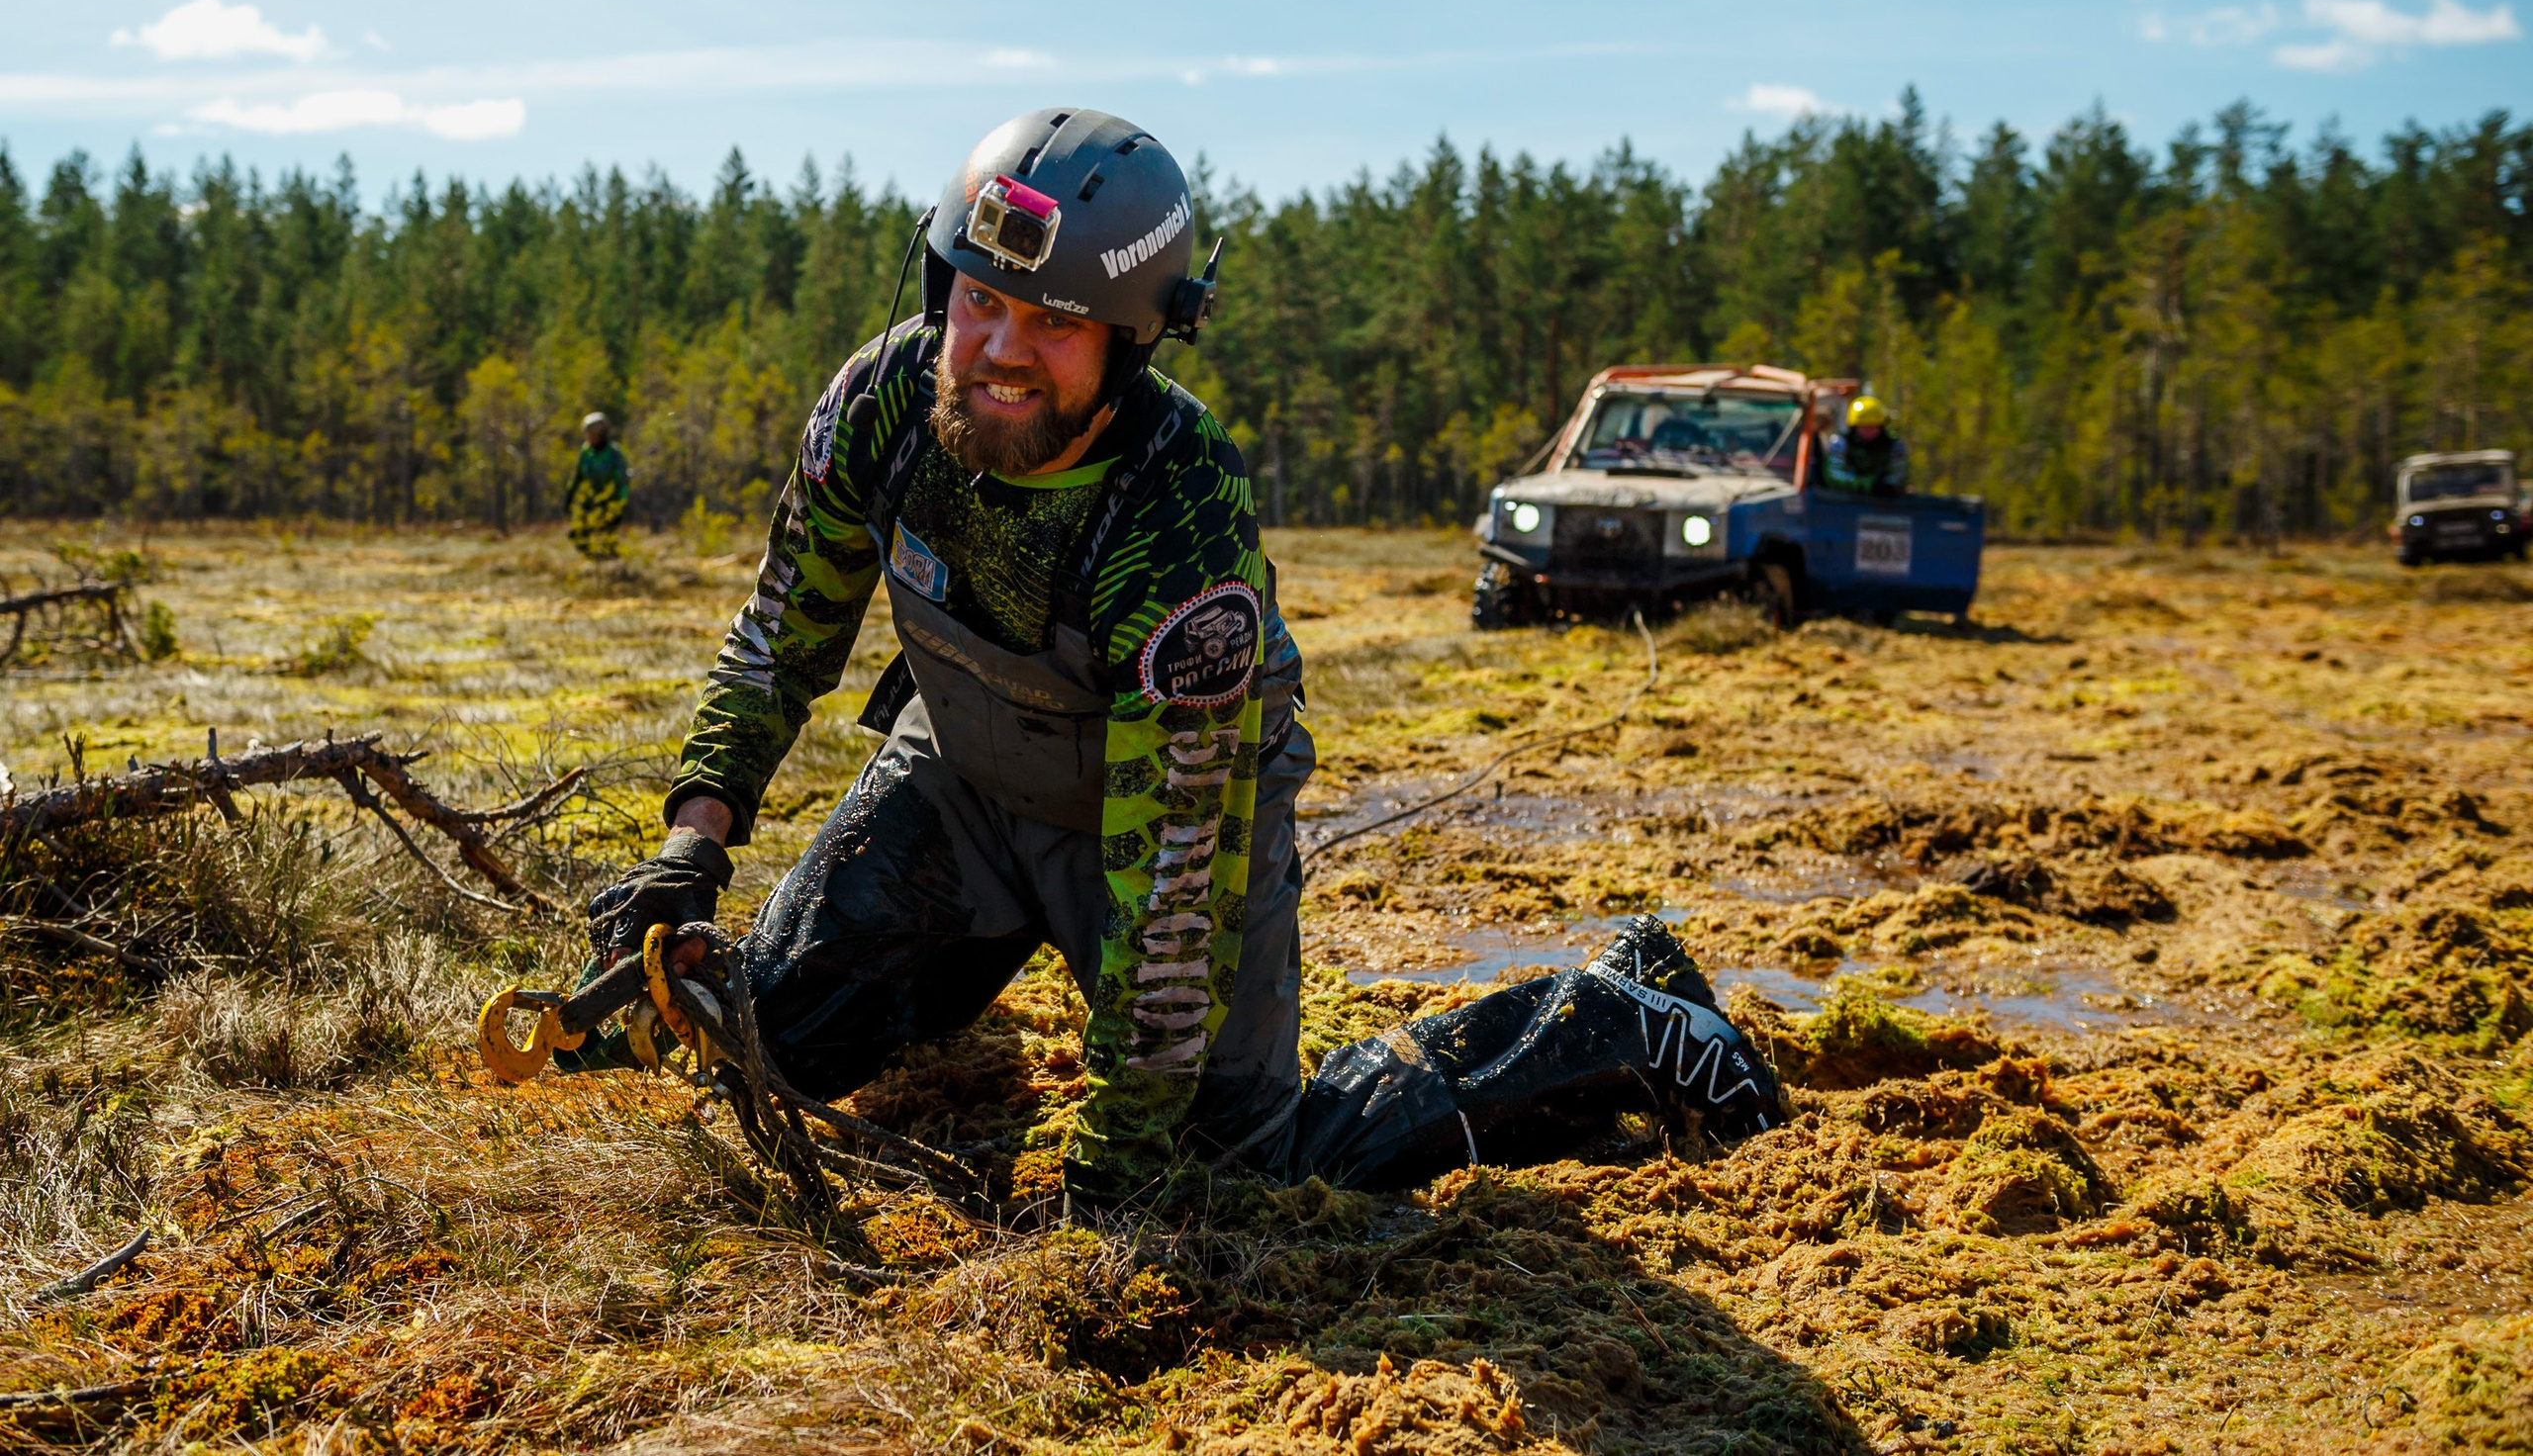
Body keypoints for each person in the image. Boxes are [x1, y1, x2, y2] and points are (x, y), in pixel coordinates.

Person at [576, 107, 1787, 1212]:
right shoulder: (881, 405)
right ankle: (932, 979)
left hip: (1160, 828)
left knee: (1234, 1172)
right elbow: (781, 637)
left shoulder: (1175, 510)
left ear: (1132, 340)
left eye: (1054, 323)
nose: (999, 348)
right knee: (766, 1050)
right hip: (959, 781)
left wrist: (1109, 1171)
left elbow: (1173, 886)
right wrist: (696, 837)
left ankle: (1610, 1014)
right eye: (980, 298)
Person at [565, 412, 631, 560]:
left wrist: (619, 504)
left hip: (609, 502)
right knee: (578, 535)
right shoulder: (586, 451)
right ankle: (593, 564)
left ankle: (611, 566)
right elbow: (577, 475)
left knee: (607, 538)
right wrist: (569, 495)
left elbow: (623, 481)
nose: (589, 437)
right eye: (587, 434)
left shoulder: (614, 453)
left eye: (592, 434)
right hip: (590, 501)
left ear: (602, 434)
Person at [1823, 395, 1909, 496]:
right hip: (1844, 503)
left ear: (1881, 427)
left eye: (1873, 426)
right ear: (1854, 428)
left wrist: (1888, 485)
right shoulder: (1840, 444)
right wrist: (1868, 484)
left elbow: (1900, 475)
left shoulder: (1894, 446)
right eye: (1864, 427)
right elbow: (1834, 476)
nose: (1868, 431)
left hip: (1884, 506)